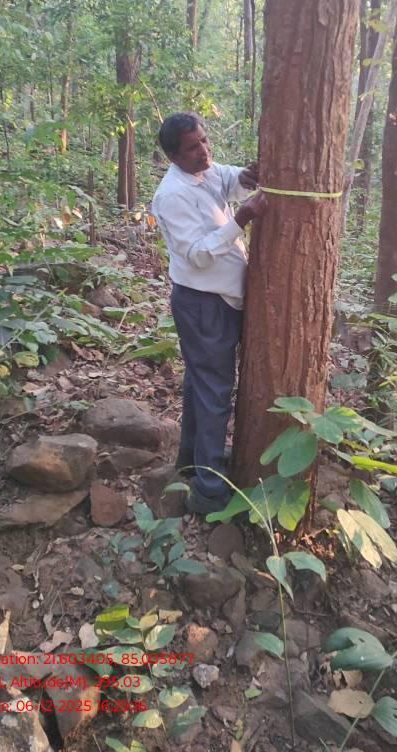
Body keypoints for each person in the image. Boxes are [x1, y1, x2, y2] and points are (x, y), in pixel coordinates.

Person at [151, 112, 266, 514]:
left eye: (204, 140)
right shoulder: (172, 196)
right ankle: (210, 491)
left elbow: (229, 178)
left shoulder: (206, 171)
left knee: (201, 386)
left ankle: (192, 461)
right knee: (214, 391)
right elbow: (198, 255)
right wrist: (241, 219)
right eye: (192, 147)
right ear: (173, 156)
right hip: (203, 304)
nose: (204, 151)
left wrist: (247, 177)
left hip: (218, 301)